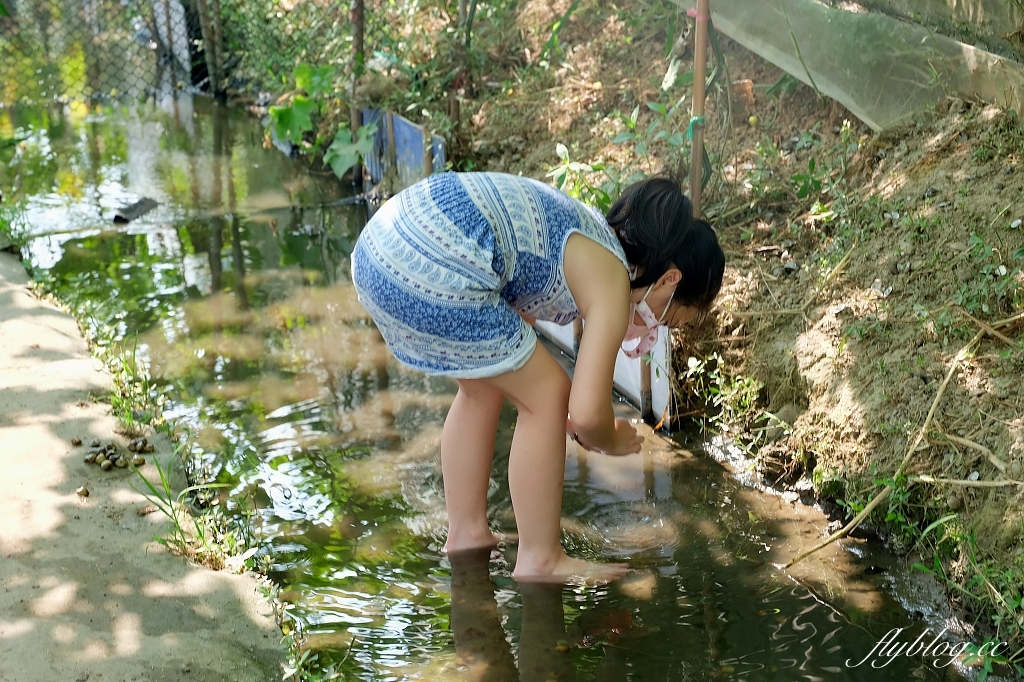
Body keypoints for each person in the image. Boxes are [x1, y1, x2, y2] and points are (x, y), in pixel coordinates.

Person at [351, 172, 724, 580]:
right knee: (549, 392)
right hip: (431, 262)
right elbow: (584, 414)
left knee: (483, 389)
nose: (658, 329)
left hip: (383, 253)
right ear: (670, 280)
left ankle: (467, 534)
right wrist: (611, 438)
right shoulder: (614, 280)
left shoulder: (584, 232)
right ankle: (541, 559)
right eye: (670, 318)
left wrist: (556, 416)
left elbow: (514, 344)